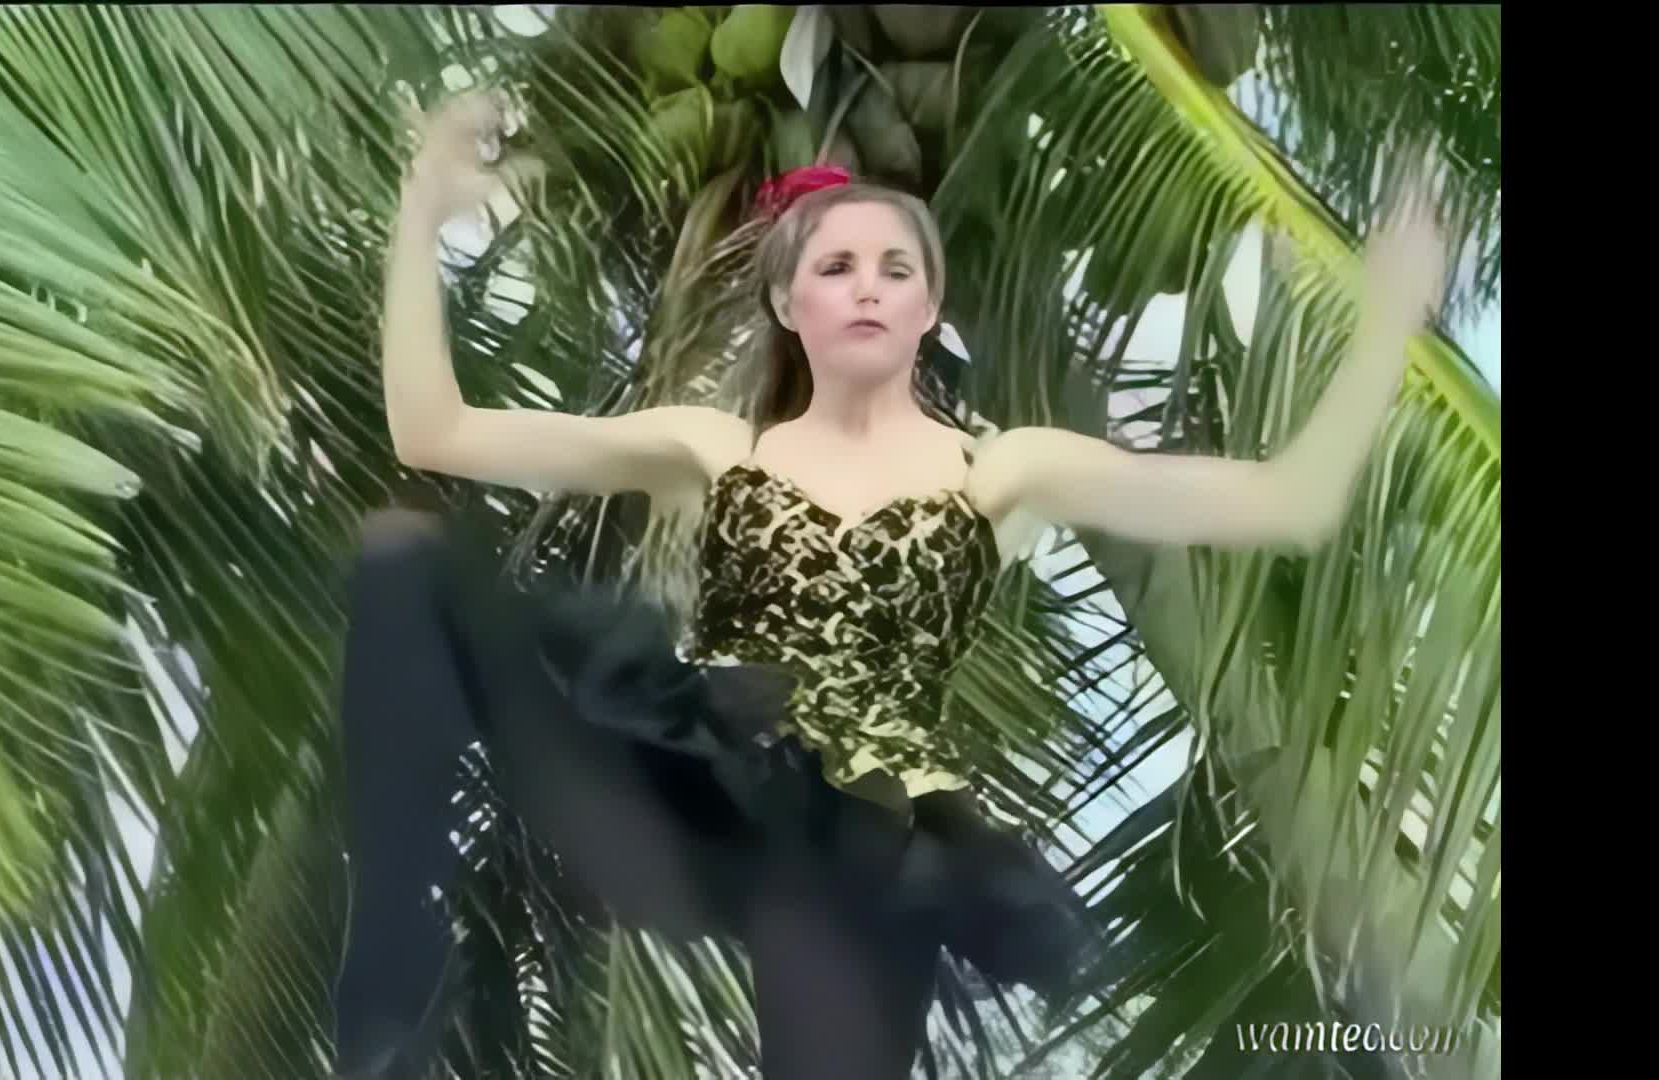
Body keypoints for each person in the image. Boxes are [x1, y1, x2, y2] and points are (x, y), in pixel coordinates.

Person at [331, 92, 1448, 1080]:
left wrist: (1387, 323)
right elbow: (434, 432)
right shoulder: (715, 450)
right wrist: (422, 212)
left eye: (895, 269)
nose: (867, 287)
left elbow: (1294, 500)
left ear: (927, 307)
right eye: (836, 267)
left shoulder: (1001, 469)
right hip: (698, 787)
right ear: (788, 303)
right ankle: (382, 1010)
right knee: (405, 560)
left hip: (870, 846)